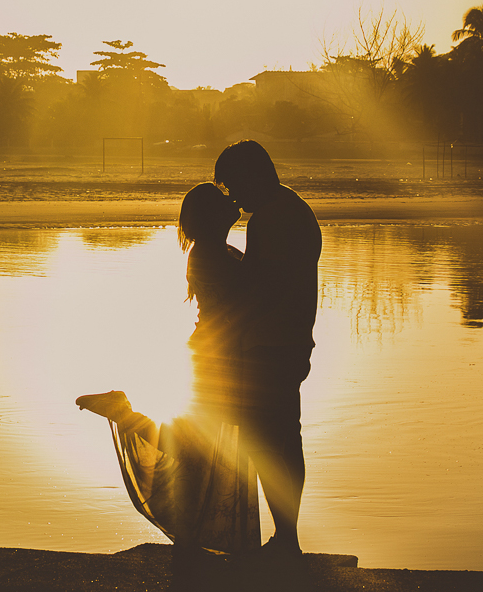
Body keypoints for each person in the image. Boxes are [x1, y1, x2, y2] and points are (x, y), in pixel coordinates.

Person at [76, 182, 261, 555]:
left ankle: (191, 538)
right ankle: (123, 414)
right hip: (217, 361)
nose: (231, 200)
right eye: (221, 200)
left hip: (217, 357)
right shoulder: (209, 254)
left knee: (197, 451)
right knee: (194, 453)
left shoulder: (214, 251)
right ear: (210, 217)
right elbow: (248, 297)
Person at [214, 140, 322, 559]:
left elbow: (262, 290)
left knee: (264, 441)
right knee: (287, 438)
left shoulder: (270, 219)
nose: (234, 199)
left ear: (252, 176)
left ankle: (285, 538)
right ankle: (287, 536)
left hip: (268, 345)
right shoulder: (294, 208)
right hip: (292, 340)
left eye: (233, 186)